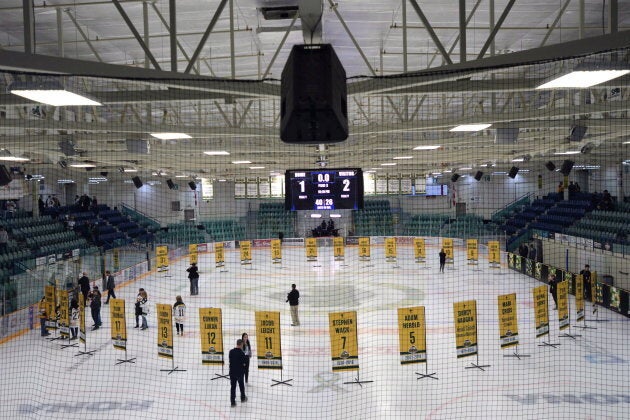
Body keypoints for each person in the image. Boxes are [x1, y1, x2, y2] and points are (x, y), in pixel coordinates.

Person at [229, 338, 248, 407]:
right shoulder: (242, 353)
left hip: (232, 372)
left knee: (233, 387)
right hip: (239, 373)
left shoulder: (231, 352)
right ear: (241, 345)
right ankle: (243, 398)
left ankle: (233, 402)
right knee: (241, 386)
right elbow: (244, 363)